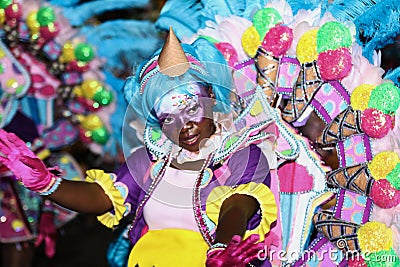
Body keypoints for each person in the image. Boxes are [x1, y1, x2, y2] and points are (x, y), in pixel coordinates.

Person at [0, 29, 278, 266]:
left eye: (191, 108)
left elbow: (236, 208)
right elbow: (100, 197)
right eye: (168, 117)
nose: (184, 126)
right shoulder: (152, 161)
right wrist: (47, 183)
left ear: (209, 98)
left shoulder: (243, 155)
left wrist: (222, 250)